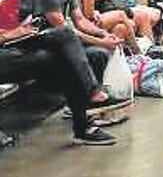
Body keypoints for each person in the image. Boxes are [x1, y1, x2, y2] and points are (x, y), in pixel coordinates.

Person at [0, 11, 131, 146]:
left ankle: (91, 99)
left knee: (66, 35)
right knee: (61, 57)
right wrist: (8, 35)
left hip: (13, 44)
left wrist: (19, 30)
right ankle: (89, 107)